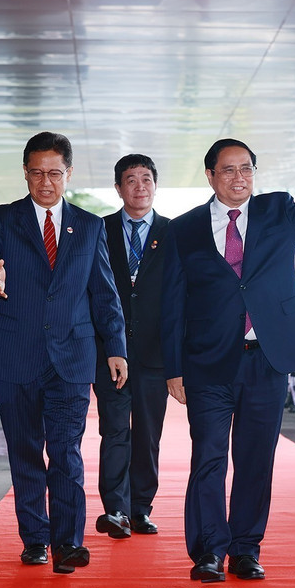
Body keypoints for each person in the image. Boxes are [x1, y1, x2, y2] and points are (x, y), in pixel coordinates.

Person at [161, 107, 295, 583]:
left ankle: (246, 548)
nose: (239, 177)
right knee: (208, 457)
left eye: (246, 168)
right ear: (210, 176)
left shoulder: (278, 211)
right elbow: (171, 303)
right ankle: (210, 550)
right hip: (206, 364)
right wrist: (173, 367)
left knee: (255, 459)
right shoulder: (182, 229)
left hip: (266, 360)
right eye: (228, 170)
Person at [0, 131, 128, 575]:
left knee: (66, 452)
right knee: (25, 451)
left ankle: (67, 542)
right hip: (15, 355)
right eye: (36, 173)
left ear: (69, 174)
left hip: (73, 358)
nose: (45, 182)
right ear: (25, 173)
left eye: (54, 173)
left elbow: (104, 293)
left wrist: (115, 348)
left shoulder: (90, 225)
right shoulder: (2, 218)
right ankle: (35, 539)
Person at [92, 154, 170, 539]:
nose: (139, 187)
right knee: (115, 430)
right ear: (118, 187)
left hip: (156, 354)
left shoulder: (174, 233)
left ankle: (141, 509)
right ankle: (117, 511)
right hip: (111, 352)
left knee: (148, 434)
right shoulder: (97, 230)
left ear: (155, 185)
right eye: (130, 180)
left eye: (146, 179)